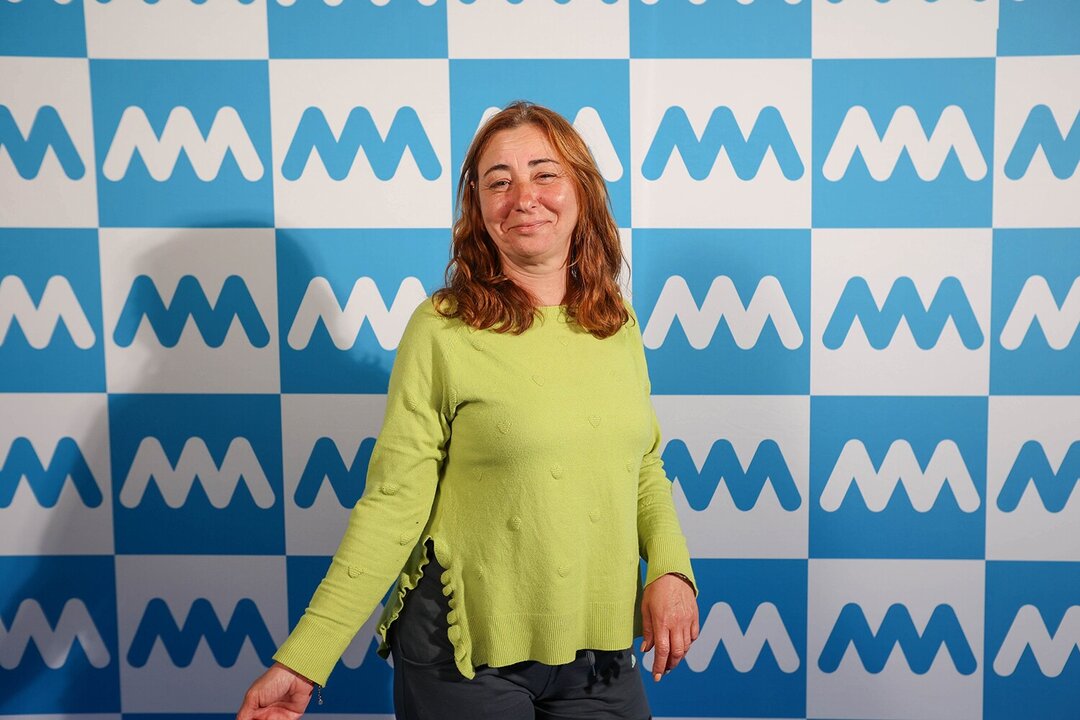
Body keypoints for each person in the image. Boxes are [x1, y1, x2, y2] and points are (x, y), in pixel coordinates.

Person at [237, 101, 699, 720]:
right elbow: (393, 503)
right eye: (498, 182)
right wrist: (304, 658)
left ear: (582, 191)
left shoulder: (616, 325)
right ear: (477, 209)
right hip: (461, 652)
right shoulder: (442, 328)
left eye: (544, 173)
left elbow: (642, 465)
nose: (523, 197)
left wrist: (671, 569)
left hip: (599, 652)